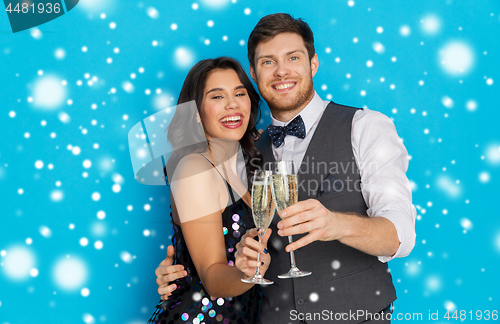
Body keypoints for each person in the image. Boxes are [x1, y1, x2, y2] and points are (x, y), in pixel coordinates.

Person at [155, 13, 416, 324]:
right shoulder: (246, 151)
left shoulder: (366, 126)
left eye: (292, 57)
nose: (281, 71)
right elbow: (217, 245)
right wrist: (184, 274)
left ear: (313, 64)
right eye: (268, 62)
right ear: (254, 73)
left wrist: (336, 224)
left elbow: (401, 235)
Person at [147, 57, 272, 324]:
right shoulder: (195, 169)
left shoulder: (243, 160)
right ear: (195, 112)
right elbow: (213, 276)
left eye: (240, 93)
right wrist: (248, 272)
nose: (233, 104)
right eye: (217, 96)